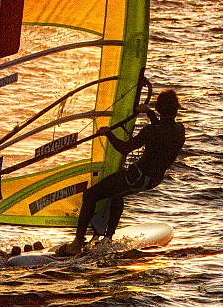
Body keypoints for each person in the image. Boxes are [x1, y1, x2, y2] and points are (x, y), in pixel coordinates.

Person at [56, 88, 185, 257]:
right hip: (153, 180)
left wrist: (107, 133)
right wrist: (149, 113)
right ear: (176, 109)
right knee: (116, 193)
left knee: (90, 195)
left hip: (135, 178)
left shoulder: (151, 131)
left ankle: (77, 243)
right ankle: (108, 238)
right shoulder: (179, 130)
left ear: (159, 108)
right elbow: (162, 130)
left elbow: (124, 149)